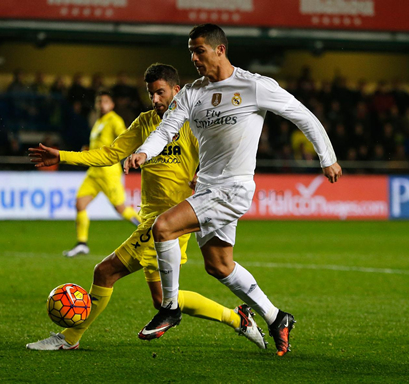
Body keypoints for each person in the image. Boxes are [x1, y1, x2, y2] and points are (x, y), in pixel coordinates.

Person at [125, 24, 342, 357]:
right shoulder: (192, 93)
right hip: (208, 187)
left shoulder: (253, 86)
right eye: (190, 52)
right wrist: (144, 151)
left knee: (163, 227)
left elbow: (303, 115)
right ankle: (276, 317)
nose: (194, 58)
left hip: (234, 187)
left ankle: (170, 307)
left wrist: (327, 158)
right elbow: (166, 130)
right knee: (219, 265)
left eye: (199, 51)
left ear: (220, 50)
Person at [26, 63, 267, 351]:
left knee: (105, 272)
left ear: (177, 91)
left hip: (171, 221)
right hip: (150, 218)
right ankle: (238, 319)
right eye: (151, 94)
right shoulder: (144, 122)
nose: (155, 100)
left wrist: (201, 173)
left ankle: (69, 338)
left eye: (160, 92)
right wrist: (62, 156)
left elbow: (220, 153)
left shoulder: (193, 122)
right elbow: (110, 153)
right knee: (163, 299)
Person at [63, 90, 141, 257]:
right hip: (94, 171)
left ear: (111, 105)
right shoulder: (99, 121)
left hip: (108, 172)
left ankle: (148, 229)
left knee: (121, 209)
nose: (101, 104)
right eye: (99, 101)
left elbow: (125, 138)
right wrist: (89, 150)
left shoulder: (114, 120)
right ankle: (82, 244)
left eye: (105, 101)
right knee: (80, 204)